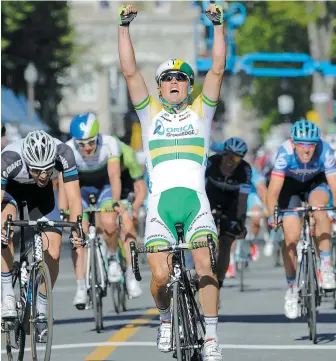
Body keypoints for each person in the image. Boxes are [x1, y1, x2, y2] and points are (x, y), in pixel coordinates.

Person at [118, 3, 226, 360]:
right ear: (161, 89)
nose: (174, 82)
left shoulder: (201, 111)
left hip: (196, 203)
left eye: (181, 78)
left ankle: (210, 337)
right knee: (160, 277)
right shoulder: (150, 113)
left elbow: (218, 69)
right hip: (160, 207)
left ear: (189, 86)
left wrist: (219, 26)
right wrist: (123, 27)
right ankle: (165, 319)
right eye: (167, 78)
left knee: (204, 266)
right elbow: (131, 73)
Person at [1, 130, 83, 338]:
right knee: (4, 231)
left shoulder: (64, 152)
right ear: (28, 162)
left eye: (48, 169)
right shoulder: (10, 159)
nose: (45, 175)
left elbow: (74, 198)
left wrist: (77, 230)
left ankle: (41, 310)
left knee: (53, 252)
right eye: (38, 171)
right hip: (11, 191)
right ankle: (8, 295)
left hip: (42, 197)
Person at [267, 119, 336, 319]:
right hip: (289, 188)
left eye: (311, 144)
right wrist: (272, 214)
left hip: (315, 185)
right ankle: (292, 288)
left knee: (320, 209)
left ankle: (326, 265)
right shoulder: (284, 153)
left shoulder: (325, 150)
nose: (307, 149)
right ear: (293, 143)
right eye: (302, 144)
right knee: (291, 239)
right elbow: (273, 191)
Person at [65, 112, 123, 309]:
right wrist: (65, 209)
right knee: (78, 235)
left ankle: (113, 258)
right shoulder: (69, 149)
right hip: (79, 189)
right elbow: (64, 184)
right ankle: (81, 286)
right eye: (81, 144)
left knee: (108, 221)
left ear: (98, 137)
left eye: (90, 142)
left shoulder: (109, 143)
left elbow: (114, 175)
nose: (86, 148)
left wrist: (114, 203)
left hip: (103, 186)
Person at [205, 137, 251, 284]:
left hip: (232, 204)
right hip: (210, 198)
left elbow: (243, 200)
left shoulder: (245, 170)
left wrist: (240, 223)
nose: (231, 162)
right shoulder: (211, 163)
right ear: (222, 154)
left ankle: (218, 282)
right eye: (229, 156)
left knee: (226, 243)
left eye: (236, 158)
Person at [112, 136, 147, 297]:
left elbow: (140, 189)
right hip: (106, 184)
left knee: (128, 225)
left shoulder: (128, 155)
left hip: (126, 186)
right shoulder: (100, 159)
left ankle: (132, 273)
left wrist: (133, 209)